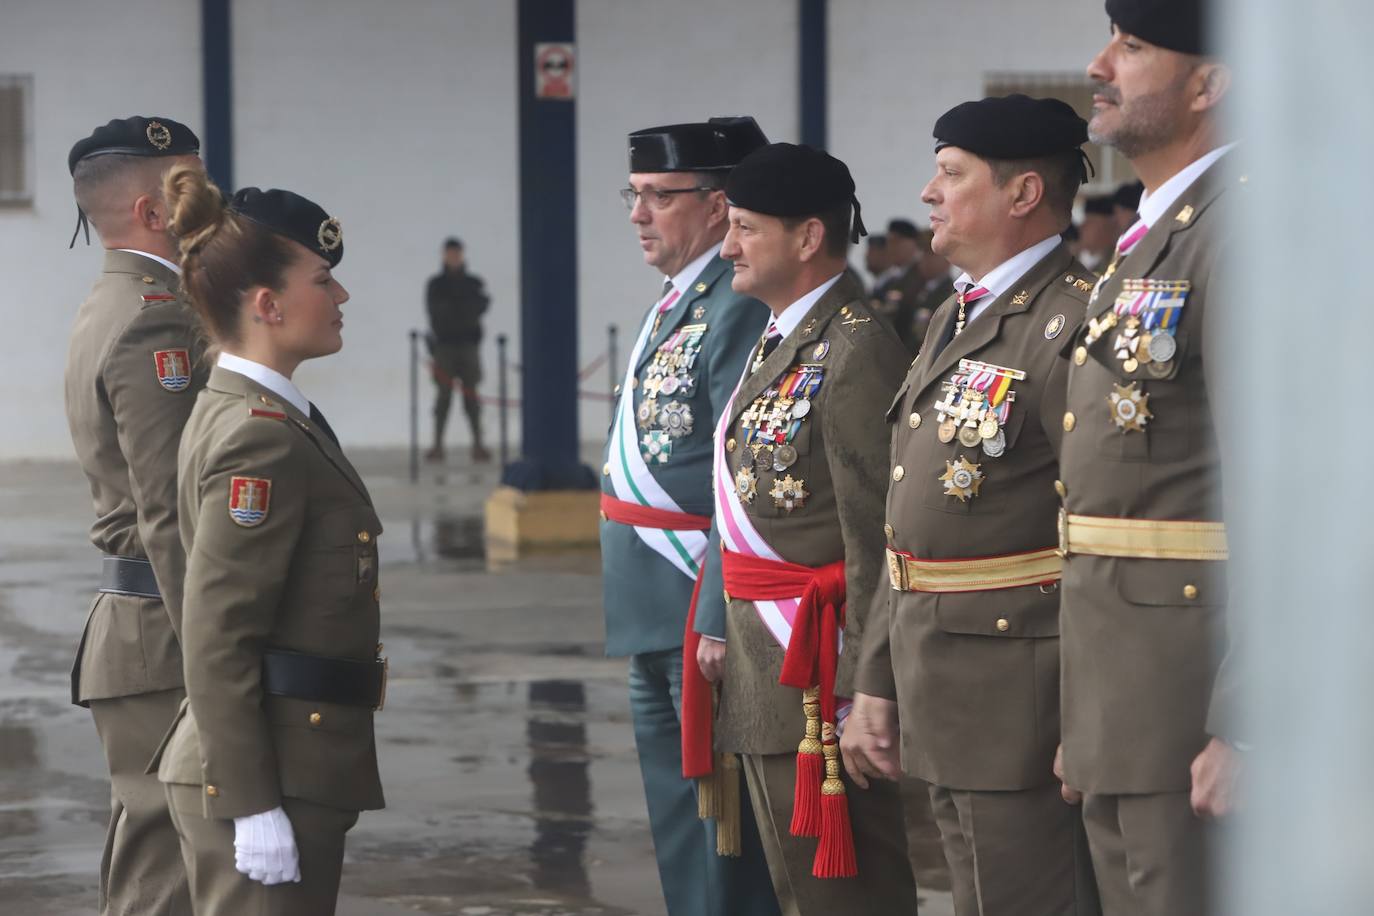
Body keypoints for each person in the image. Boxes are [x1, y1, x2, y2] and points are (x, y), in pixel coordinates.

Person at [842, 94, 1101, 916]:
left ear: (1022, 194)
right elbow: (909, 519)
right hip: (939, 673)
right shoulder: (959, 311)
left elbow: (1102, 532)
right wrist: (876, 678)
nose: (929, 193)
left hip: (1021, 692)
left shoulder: (1072, 321)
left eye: (951, 174)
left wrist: (1092, 711)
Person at [153, 167, 386, 915]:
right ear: (268, 303)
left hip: (292, 758)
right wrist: (251, 802)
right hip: (270, 770)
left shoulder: (261, 413)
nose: (341, 296)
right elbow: (218, 632)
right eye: (324, 279)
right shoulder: (261, 437)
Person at [696, 141, 919, 915]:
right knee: (801, 894)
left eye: (746, 228)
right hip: (771, 668)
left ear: (808, 237)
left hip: (821, 681)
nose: (727, 246)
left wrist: (868, 689)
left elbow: (875, 539)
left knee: (847, 898)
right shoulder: (785, 335)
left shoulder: (855, 348)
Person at [1056, 0, 1238, 911]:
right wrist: (1081, 710)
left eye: (1132, 47)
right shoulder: (1155, 237)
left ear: (1209, 83)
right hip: (1119, 680)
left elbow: (1292, 498)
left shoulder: (1239, 233)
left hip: (1186, 685)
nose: (1101, 65)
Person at [600, 117, 780, 916]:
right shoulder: (682, 300)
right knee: (681, 821)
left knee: (720, 827)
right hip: (651, 604)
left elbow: (737, 474)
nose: (638, 214)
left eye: (657, 197)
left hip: (696, 607)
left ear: (717, 206)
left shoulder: (734, 304)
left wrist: (712, 609)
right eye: (633, 196)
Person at [63, 114, 204, 916]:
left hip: (142, 623)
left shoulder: (115, 300)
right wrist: (223, 645)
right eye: (195, 187)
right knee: (168, 873)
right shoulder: (155, 318)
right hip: (165, 627)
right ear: (156, 211)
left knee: (156, 854)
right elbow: (171, 509)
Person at [425, 237, 491, 463]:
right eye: (450, 253)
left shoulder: (473, 283)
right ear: (444, 255)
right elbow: (437, 312)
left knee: (472, 397)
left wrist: (459, 310)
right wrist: (461, 310)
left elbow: (480, 306)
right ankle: (437, 446)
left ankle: (478, 446)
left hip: (468, 346)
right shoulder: (436, 285)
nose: (453, 258)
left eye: (457, 253)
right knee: (443, 398)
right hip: (444, 347)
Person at [1078, 194, 1117, 271]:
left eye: (1090, 222)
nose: (1082, 227)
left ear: (1107, 227)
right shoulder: (1068, 258)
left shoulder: (1117, 261)